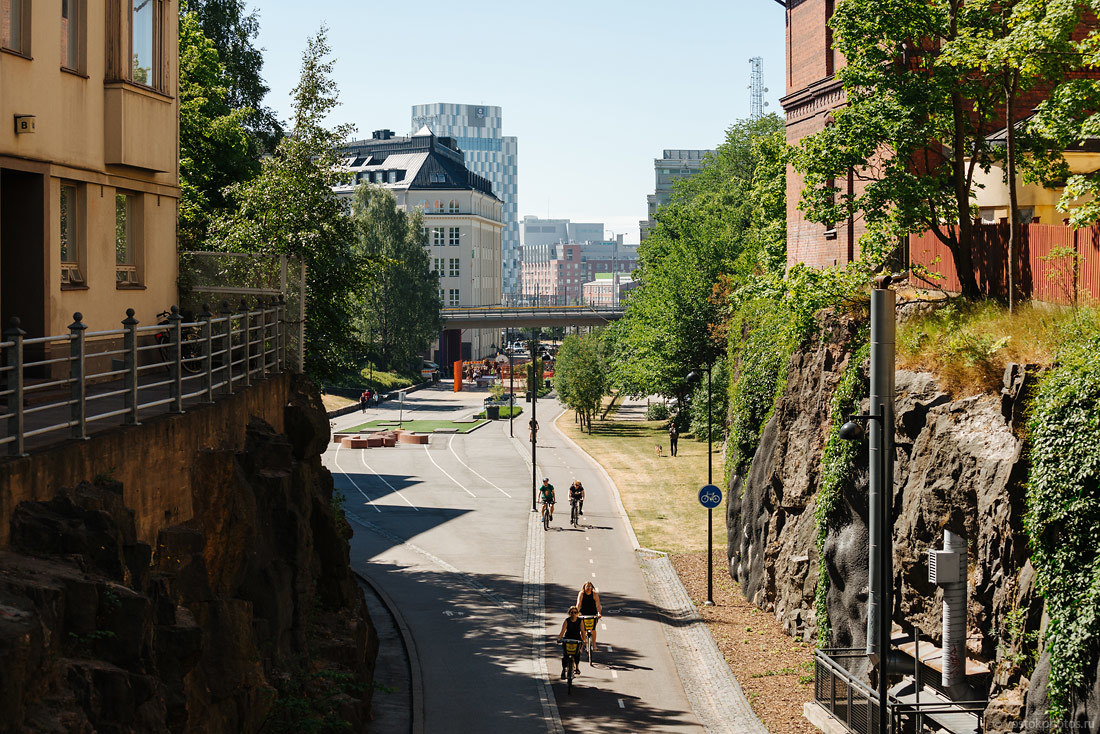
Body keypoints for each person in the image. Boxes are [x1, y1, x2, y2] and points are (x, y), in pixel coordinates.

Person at [556, 606, 588, 678]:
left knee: (577, 653)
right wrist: (559, 638)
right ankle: (564, 670)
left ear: (577, 613)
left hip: (577, 638)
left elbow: (583, 631)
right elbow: (563, 631)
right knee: (565, 655)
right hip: (568, 638)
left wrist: (584, 640)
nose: (573, 614)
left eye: (575, 612)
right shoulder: (567, 620)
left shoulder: (580, 621)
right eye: (572, 612)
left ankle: (577, 667)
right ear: (569, 613)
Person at [576, 581, 603, 651]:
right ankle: (583, 644)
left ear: (592, 587)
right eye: (587, 586)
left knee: (593, 629)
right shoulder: (581, 593)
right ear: (584, 587)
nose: (588, 588)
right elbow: (578, 604)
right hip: (583, 613)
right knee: (582, 630)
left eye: (590, 586)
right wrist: (576, 613)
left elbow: (598, 605)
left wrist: (599, 613)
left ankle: (594, 644)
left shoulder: (594, 594)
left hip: (592, 613)